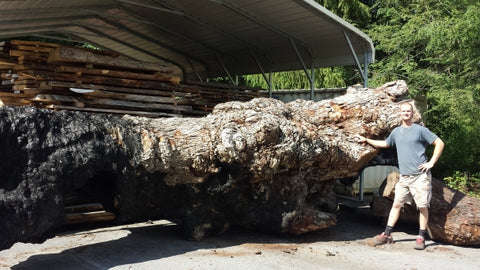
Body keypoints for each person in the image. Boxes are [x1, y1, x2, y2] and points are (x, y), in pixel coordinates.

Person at [355, 102, 444, 250]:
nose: (406, 113)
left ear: (412, 113)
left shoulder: (420, 130)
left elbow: (439, 143)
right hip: (404, 177)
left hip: (420, 176)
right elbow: (385, 143)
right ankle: (387, 234)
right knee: (396, 204)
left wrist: (431, 163)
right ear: (400, 113)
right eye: (403, 111)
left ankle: (421, 236)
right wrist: (366, 140)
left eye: (408, 111)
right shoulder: (396, 132)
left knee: (422, 206)